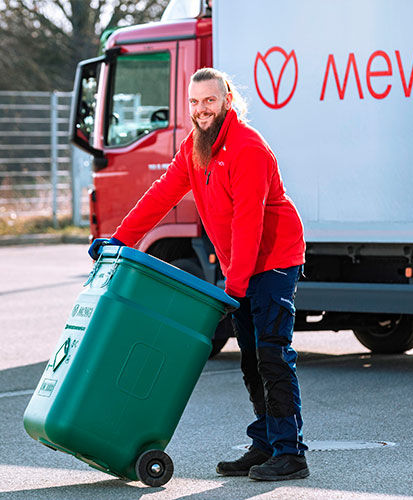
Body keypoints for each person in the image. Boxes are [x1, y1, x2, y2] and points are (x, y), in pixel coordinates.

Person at [88, 67, 308, 481]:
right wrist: (120, 239)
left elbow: (249, 223)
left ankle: (291, 452)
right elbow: (162, 194)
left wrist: (236, 287)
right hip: (241, 264)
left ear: (227, 99)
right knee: (250, 359)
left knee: (272, 353)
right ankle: (264, 444)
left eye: (209, 100)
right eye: (194, 102)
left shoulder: (248, 149)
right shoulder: (196, 146)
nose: (201, 109)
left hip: (274, 259)